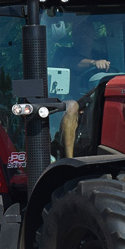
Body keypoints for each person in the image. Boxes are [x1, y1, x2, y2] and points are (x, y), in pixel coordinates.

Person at [53, 19, 110, 158]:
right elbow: (69, 62)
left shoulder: (102, 55)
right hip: (62, 102)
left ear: (93, 35)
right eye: (78, 33)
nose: (82, 37)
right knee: (72, 106)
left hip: (93, 101)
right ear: (73, 36)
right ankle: (69, 160)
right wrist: (93, 63)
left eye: (86, 33)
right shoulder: (63, 52)